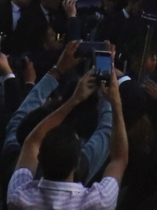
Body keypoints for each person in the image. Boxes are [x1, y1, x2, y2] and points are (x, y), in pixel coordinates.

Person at [7, 63, 128, 209]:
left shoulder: (20, 198)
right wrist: (115, 102)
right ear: (77, 163)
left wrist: (73, 100)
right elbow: (119, 159)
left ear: (39, 158)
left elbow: (32, 141)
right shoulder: (97, 201)